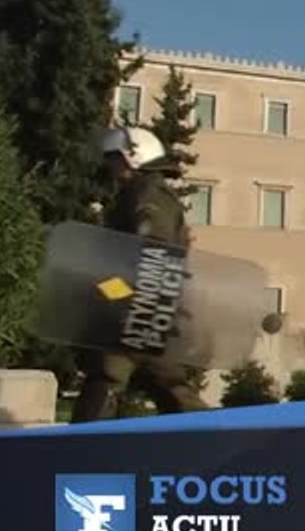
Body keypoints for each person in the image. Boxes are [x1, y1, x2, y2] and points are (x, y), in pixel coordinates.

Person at [72, 127, 209, 422]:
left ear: (131, 157)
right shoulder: (145, 193)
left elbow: (151, 251)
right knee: (171, 387)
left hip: (136, 310)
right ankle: (214, 444)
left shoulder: (146, 194)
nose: (111, 167)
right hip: (151, 308)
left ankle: (81, 452)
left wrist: (114, 293)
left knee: (106, 377)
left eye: (114, 159)